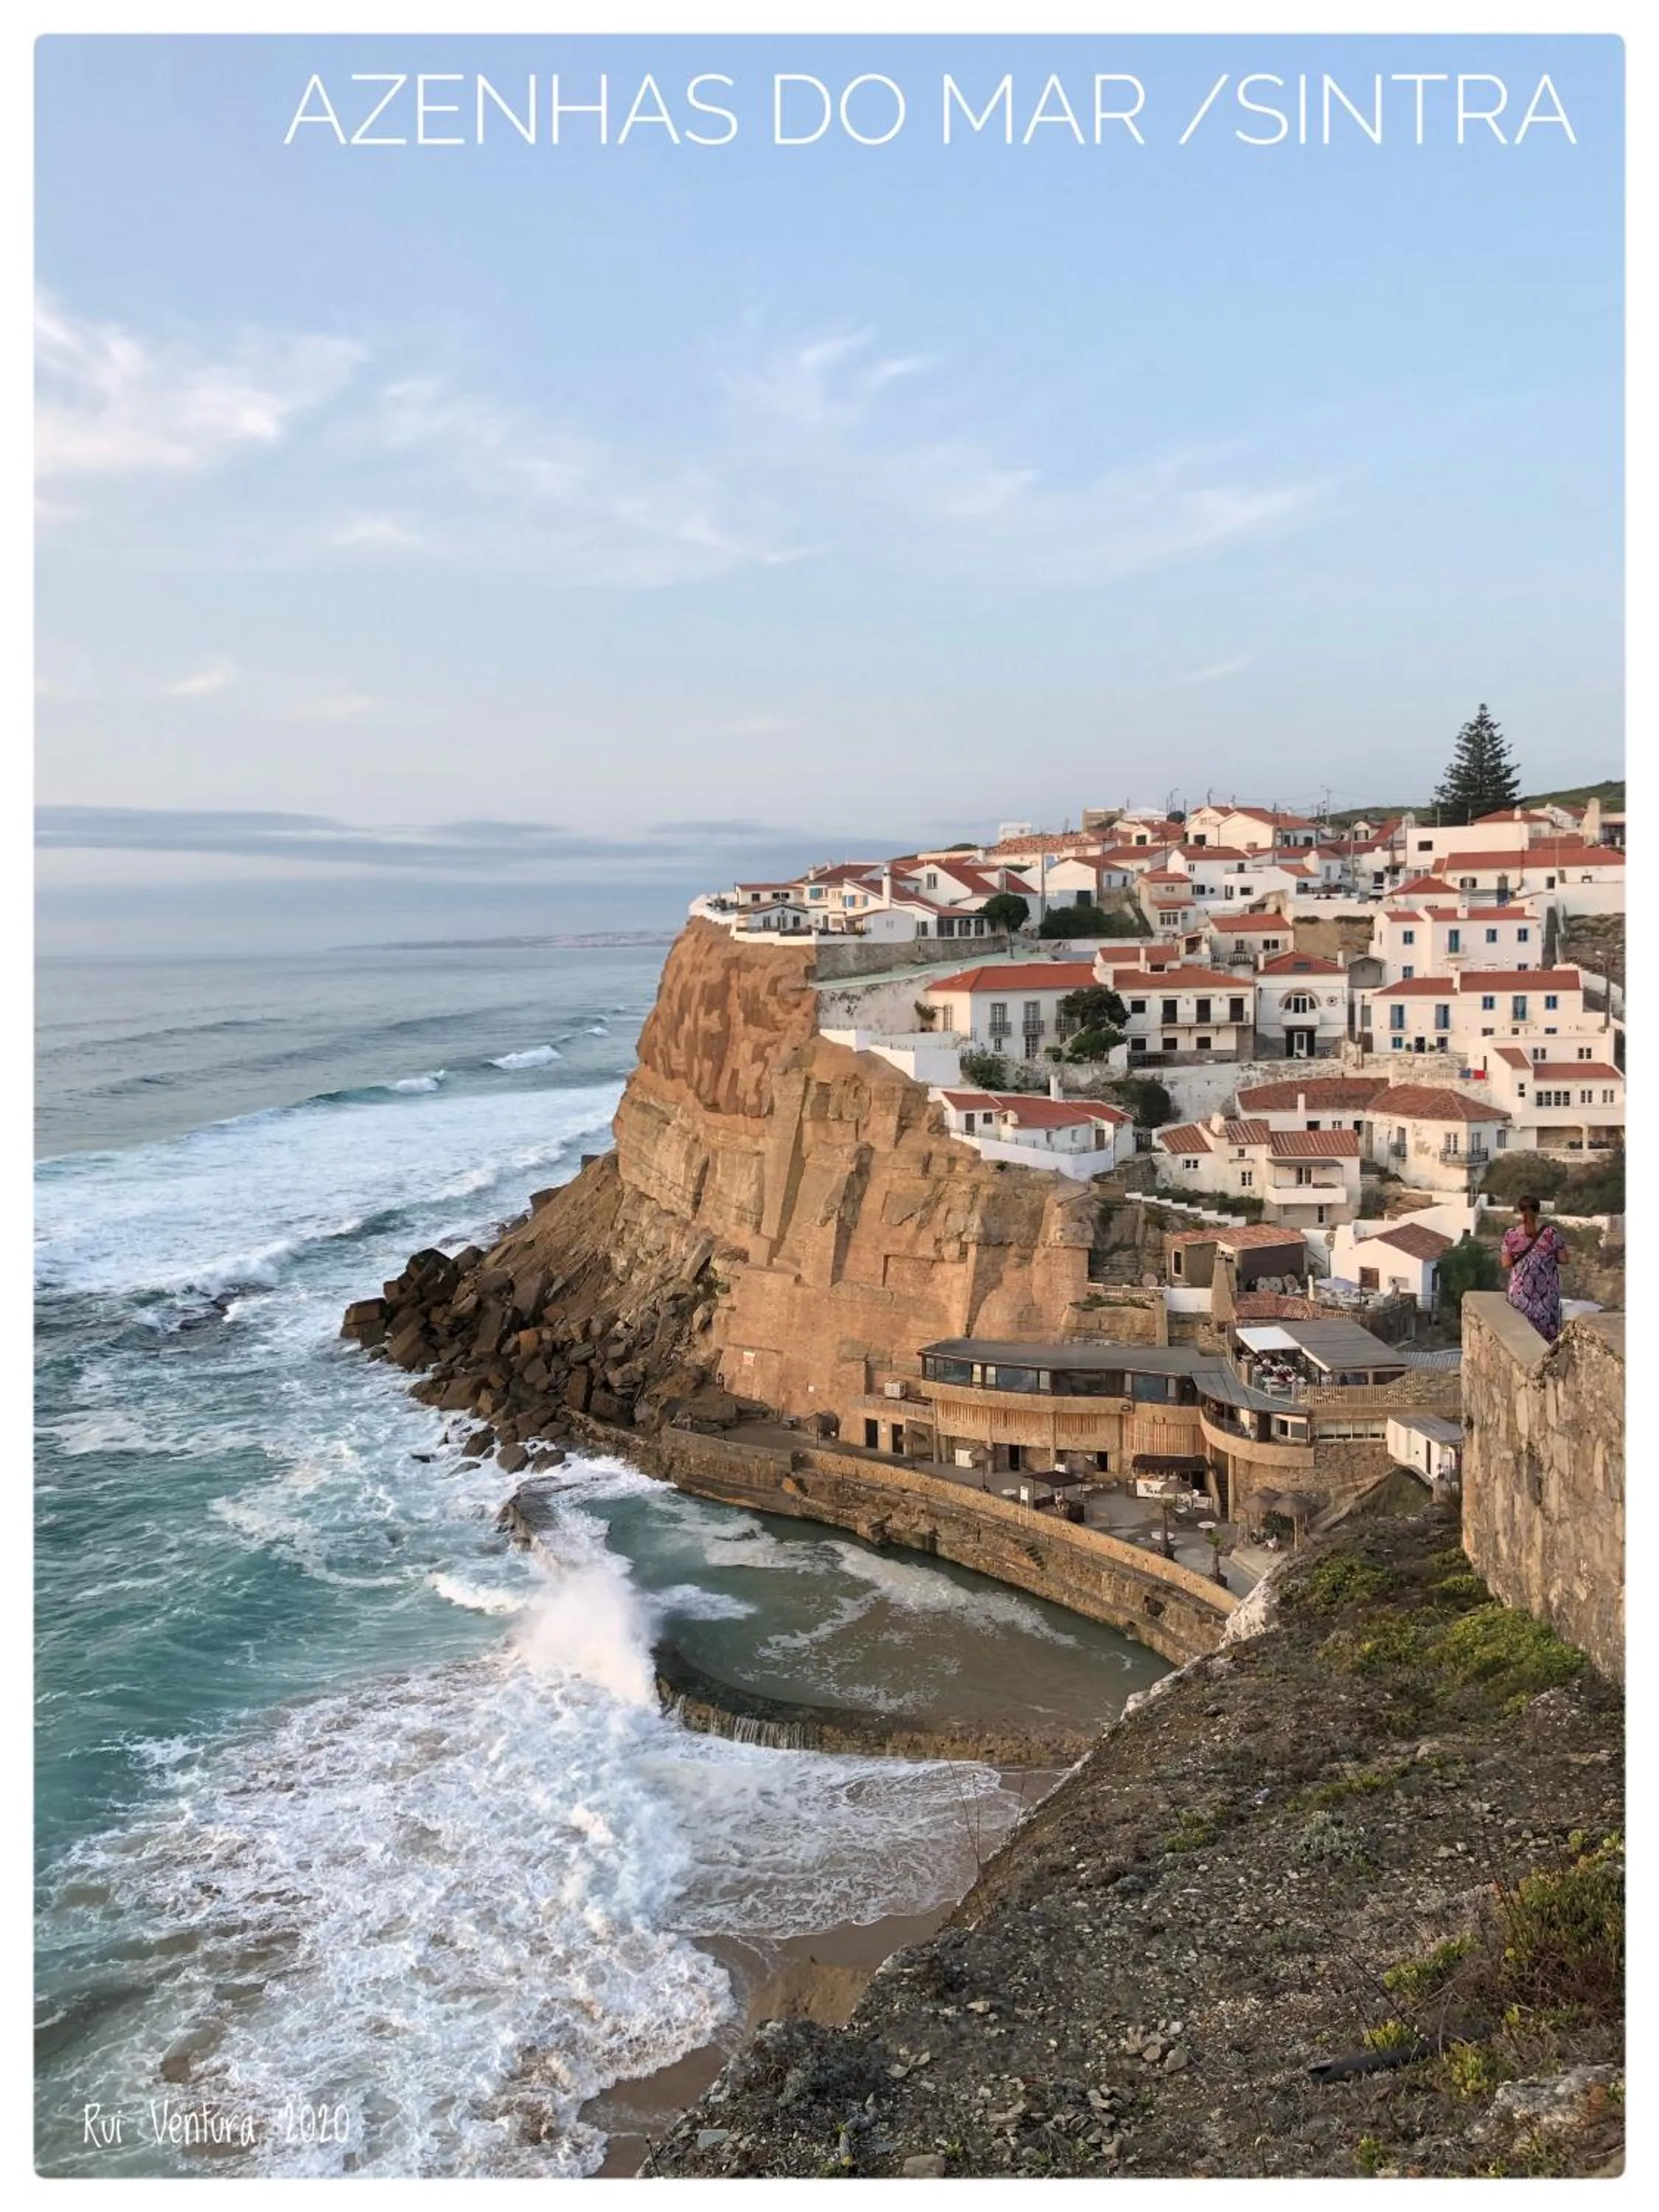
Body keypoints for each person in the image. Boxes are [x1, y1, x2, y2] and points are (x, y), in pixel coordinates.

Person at [1500, 1194, 1567, 1343]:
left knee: (1522, 1340)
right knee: (1546, 1342)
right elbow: (1564, 1259)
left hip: (1521, 1295)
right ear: (1538, 1211)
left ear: (1520, 1211)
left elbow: (1506, 1263)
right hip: (1547, 1296)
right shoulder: (1551, 1234)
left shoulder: (1511, 1235)